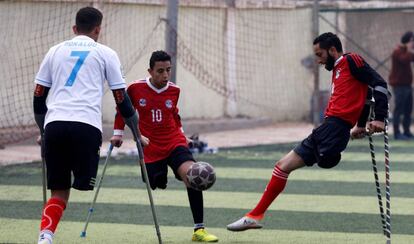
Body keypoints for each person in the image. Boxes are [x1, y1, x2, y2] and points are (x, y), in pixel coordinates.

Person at [227, 32, 389, 231]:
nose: (318, 60)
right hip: (331, 128)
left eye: (320, 54)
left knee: (292, 165)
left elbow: (380, 84)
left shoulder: (350, 60)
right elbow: (367, 94)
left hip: (333, 129)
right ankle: (255, 215)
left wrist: (379, 118)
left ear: (332, 50)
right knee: (282, 166)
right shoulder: (338, 69)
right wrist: (361, 125)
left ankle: (255, 215)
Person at [33, 7, 138, 244]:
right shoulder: (106, 53)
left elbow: (38, 97)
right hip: (87, 127)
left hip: (55, 125)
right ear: (98, 29)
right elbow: (122, 99)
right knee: (83, 184)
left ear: (74, 29)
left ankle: (45, 236)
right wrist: (137, 133)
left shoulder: (54, 51)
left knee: (59, 192)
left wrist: (43, 130)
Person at [110, 50, 219, 242]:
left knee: (193, 176)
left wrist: (183, 136)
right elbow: (122, 110)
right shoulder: (135, 88)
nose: (165, 75)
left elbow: (174, 115)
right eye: (160, 71)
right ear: (150, 71)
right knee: (154, 182)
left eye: (168, 70)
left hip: (173, 141)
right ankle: (157, 175)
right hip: (150, 145)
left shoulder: (174, 90)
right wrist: (117, 134)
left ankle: (199, 230)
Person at [389, 31, 414, 140]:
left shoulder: (407, 52)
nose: (413, 43)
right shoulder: (397, 51)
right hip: (399, 86)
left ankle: (407, 132)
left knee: (408, 109)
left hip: (407, 85)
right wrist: (409, 49)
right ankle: (397, 133)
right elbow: (405, 60)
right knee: (399, 110)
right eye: (412, 41)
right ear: (407, 41)